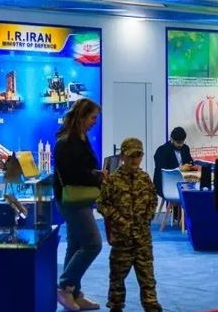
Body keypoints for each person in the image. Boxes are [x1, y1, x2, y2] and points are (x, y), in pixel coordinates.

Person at [97, 138, 161, 312]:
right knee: (117, 282)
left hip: (142, 240)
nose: (135, 160)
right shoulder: (113, 180)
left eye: (138, 155)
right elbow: (102, 203)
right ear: (122, 157)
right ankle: (116, 307)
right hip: (121, 240)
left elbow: (153, 199)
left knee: (148, 280)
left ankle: (151, 306)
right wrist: (117, 218)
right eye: (131, 156)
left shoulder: (145, 178)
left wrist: (148, 216)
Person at [54, 98, 105, 312]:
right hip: (71, 199)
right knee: (93, 244)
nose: (95, 122)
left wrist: (95, 174)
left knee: (75, 245)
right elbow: (72, 175)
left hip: (80, 199)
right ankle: (64, 287)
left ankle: (73, 293)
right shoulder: (67, 142)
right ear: (82, 117)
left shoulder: (80, 138)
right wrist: (97, 177)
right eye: (92, 117)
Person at [153, 126, 194, 197]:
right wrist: (180, 169)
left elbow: (190, 163)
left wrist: (190, 166)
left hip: (183, 182)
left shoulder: (185, 148)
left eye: (182, 142)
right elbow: (162, 172)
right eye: (178, 142)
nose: (180, 145)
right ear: (171, 139)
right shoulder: (162, 150)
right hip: (166, 184)